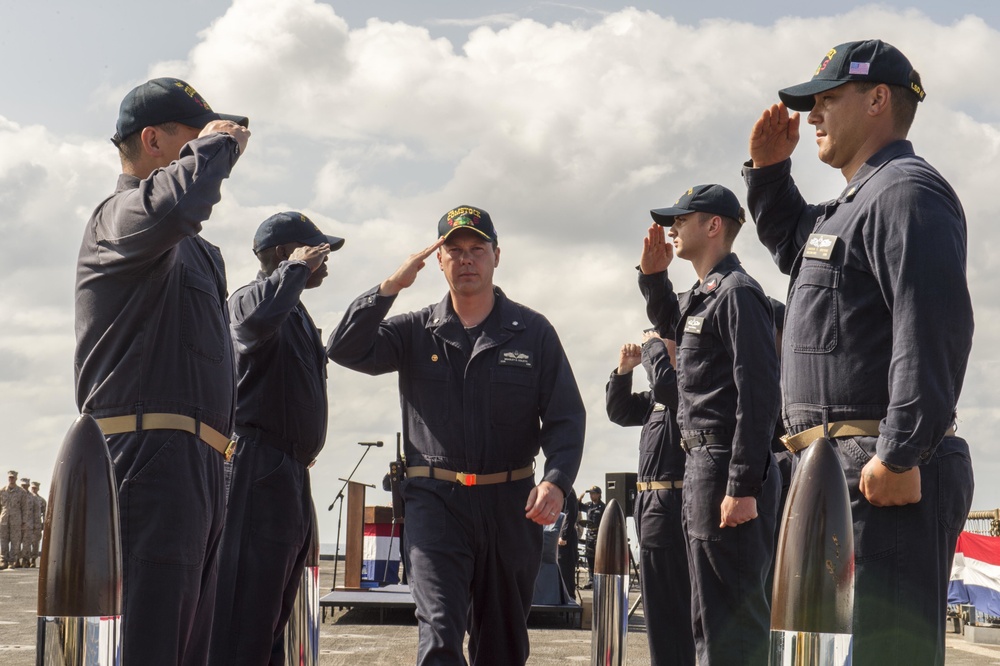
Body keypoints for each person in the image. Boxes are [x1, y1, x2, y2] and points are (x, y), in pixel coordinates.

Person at [744, 39, 975, 665]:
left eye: (827, 99)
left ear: (877, 100)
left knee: (878, 655)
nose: (812, 115)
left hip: (878, 469)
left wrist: (899, 454)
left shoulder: (906, 193)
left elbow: (930, 328)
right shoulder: (853, 204)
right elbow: (801, 245)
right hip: (834, 468)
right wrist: (767, 173)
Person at [327, 204, 586, 665]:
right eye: (455, 250)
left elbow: (566, 416)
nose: (467, 259)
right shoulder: (413, 331)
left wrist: (557, 479)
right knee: (441, 633)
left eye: (477, 249)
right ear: (439, 261)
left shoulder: (533, 332)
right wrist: (391, 286)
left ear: (496, 256)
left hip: (511, 508)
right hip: (435, 505)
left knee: (503, 645)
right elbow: (345, 348)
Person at [74, 77, 250, 664]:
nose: (211, 145)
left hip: (202, 466)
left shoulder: (199, 251)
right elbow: (176, 202)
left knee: (188, 648)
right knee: (149, 644)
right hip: (147, 456)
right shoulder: (119, 219)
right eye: (193, 137)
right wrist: (219, 147)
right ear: (153, 140)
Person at [640, 183, 780, 664]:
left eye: (683, 218)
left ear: (714, 226)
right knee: (707, 617)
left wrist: (742, 484)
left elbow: (758, 392)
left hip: (724, 464)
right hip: (701, 463)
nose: (672, 228)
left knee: (730, 620)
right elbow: (671, 325)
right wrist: (654, 279)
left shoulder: (737, 293)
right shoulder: (705, 294)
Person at [209, 212, 344, 664]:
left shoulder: (296, 312)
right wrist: (295, 271)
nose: (326, 262)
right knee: (246, 611)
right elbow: (250, 329)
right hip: (256, 468)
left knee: (277, 612)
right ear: (288, 253)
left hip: (287, 472)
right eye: (319, 252)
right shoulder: (250, 299)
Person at [605, 333, 694, 665]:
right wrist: (624, 372)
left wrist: (655, 352)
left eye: (660, 336)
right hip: (650, 501)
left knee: (675, 603)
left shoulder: (688, 386)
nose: (649, 341)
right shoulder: (656, 396)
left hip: (674, 499)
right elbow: (619, 410)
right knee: (659, 603)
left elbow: (670, 390)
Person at [578, 485, 605, 590]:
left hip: (598, 535)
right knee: (589, 558)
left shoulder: (602, 507)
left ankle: (598, 581)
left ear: (599, 494)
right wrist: (580, 498)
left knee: (598, 559)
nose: (591, 495)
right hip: (589, 535)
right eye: (590, 493)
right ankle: (591, 580)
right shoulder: (589, 506)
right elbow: (578, 506)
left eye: (593, 493)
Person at [557, 486, 579, 597]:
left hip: (566, 537)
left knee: (566, 570)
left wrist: (563, 536)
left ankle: (569, 599)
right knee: (561, 569)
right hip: (560, 534)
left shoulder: (568, 492)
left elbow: (570, 514)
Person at [0, 471, 25, 570]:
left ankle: (12, 561)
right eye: (10, 477)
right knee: (3, 540)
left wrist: (24, 521)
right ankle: (3, 560)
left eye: (13, 478)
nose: (11, 479)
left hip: (16, 518)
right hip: (4, 518)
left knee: (15, 540)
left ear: (16, 478)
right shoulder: (2, 491)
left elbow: (25, 507)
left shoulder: (21, 492)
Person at [18, 477, 33, 568]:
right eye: (23, 485)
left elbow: (36, 511)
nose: (24, 487)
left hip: (29, 523)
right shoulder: (16, 494)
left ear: (28, 485)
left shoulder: (32, 497)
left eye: (26, 485)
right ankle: (16, 560)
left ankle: (25, 559)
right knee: (16, 542)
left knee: (27, 542)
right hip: (17, 521)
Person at [29, 481, 46, 567]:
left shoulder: (42, 500)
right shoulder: (26, 498)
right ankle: (24, 560)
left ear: (38, 489)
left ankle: (33, 559)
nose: (34, 489)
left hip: (37, 524)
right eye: (32, 488)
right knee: (26, 542)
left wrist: (44, 524)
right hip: (27, 524)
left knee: (36, 542)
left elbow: (45, 513)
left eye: (35, 488)